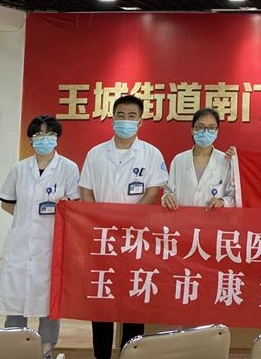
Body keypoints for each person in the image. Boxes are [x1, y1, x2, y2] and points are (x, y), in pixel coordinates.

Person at [79, 95, 169, 359]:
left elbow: (152, 192)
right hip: (102, 237)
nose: (125, 120)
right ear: (112, 118)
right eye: (121, 115)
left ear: (140, 121)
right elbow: (86, 191)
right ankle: (101, 355)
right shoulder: (96, 153)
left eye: (132, 116)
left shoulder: (151, 153)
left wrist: (129, 220)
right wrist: (98, 221)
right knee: (102, 296)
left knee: (134, 296)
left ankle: (131, 353)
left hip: (136, 236)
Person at [0, 115, 80, 359]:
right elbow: (7, 202)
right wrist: (28, 217)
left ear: (57, 138)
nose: (44, 139)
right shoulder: (20, 168)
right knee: (15, 300)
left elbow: (75, 205)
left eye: (50, 134)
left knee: (49, 303)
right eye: (39, 134)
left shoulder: (68, 168)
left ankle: (46, 349)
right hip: (21, 244)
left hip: (52, 244)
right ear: (31, 139)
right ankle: (15, 349)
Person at [162, 108, 236, 211]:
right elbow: (168, 191)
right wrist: (167, 197)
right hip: (182, 218)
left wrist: (222, 201)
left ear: (217, 131)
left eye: (211, 127)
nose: (206, 132)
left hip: (212, 218)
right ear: (192, 130)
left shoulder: (225, 161)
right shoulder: (179, 160)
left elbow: (232, 197)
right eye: (200, 127)